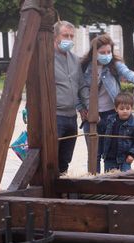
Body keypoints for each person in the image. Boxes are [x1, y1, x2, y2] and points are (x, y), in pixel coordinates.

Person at [80, 34, 134, 172]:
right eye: (102, 52)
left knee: (111, 152)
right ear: (94, 53)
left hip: (112, 114)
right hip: (91, 115)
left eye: (109, 52)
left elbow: (128, 73)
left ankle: (110, 180)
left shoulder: (114, 65)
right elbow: (78, 90)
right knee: (94, 153)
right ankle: (93, 182)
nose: (106, 55)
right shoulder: (84, 67)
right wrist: (81, 109)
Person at [53, 21, 89, 174]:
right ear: (55, 37)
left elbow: (81, 86)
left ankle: (62, 187)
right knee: (50, 158)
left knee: (65, 159)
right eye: (65, 35)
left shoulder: (75, 59)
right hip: (55, 116)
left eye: (71, 36)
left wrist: (86, 107)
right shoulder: (45, 58)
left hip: (71, 117)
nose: (69, 39)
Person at [103, 93, 134, 172]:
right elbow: (102, 132)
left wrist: (132, 154)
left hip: (125, 159)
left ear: (131, 108)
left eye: (128, 109)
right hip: (109, 159)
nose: (125, 111)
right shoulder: (109, 120)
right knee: (108, 180)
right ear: (116, 109)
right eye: (122, 109)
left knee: (126, 179)